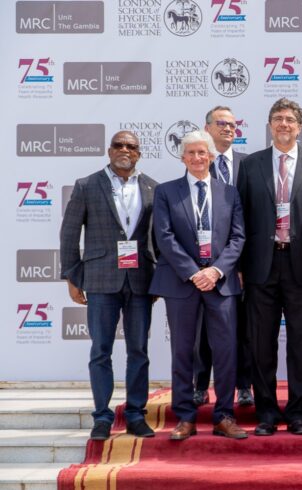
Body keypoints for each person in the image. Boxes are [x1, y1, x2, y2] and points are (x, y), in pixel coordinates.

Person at [237, 98, 302, 436]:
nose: (284, 124)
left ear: (300, 126)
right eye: (278, 118)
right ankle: (266, 413)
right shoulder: (250, 166)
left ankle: (297, 413)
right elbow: (240, 219)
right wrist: (240, 264)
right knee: (261, 343)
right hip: (261, 266)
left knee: (301, 343)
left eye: (290, 119)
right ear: (270, 124)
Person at [149, 130, 247, 441]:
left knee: (226, 352)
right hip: (182, 283)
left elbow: (238, 237)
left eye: (201, 152)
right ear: (182, 158)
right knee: (182, 352)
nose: (196, 158)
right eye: (190, 153)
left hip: (221, 284)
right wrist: (194, 273)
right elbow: (163, 238)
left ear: (211, 156)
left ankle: (224, 416)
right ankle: (185, 417)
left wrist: (216, 271)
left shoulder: (229, 192)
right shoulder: (166, 192)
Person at [60, 131, 157, 441]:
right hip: (100, 279)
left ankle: (135, 414)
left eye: (132, 146)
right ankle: (102, 416)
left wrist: (158, 278)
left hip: (141, 280)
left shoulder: (152, 188)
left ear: (139, 153)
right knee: (100, 350)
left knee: (138, 351)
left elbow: (158, 238)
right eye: (119, 145)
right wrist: (74, 277)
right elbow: (69, 234)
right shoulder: (87, 185)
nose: (125, 150)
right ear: (109, 150)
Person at [190, 105, 253, 408]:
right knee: (203, 330)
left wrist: (238, 265)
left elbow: (251, 221)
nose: (228, 128)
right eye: (221, 123)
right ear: (207, 127)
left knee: (242, 330)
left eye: (232, 124)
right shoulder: (198, 162)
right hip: (204, 266)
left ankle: (244, 385)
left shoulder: (249, 164)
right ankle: (200, 385)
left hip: (242, 264)